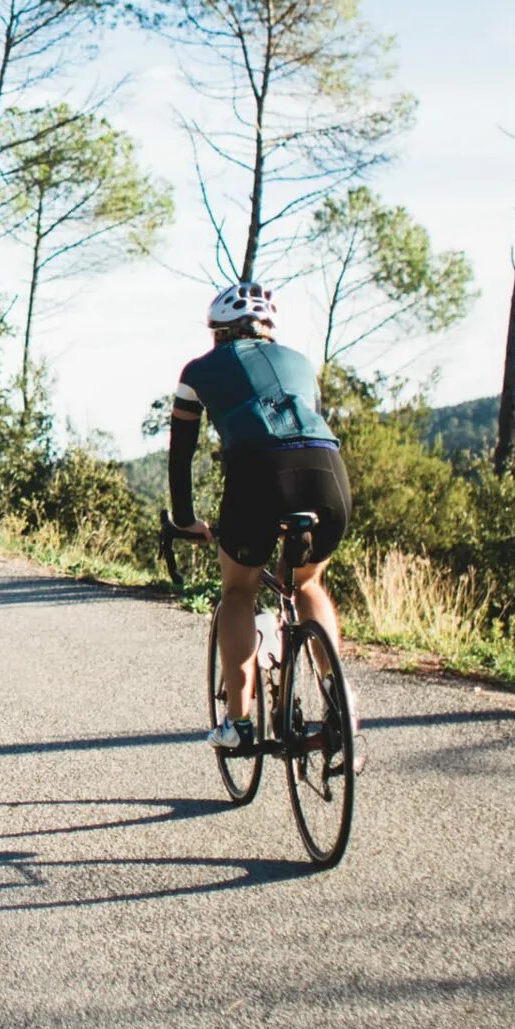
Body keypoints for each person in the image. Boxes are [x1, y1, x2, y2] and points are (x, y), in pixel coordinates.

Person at [166, 281, 352, 753]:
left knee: (238, 591)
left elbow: (180, 454)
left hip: (257, 471)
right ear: (267, 330)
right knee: (307, 584)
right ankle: (339, 698)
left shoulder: (197, 371)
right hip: (327, 469)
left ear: (219, 333)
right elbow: (309, 421)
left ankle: (239, 723)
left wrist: (186, 519)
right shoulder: (303, 365)